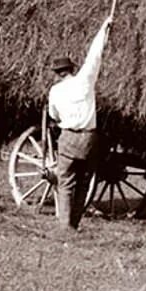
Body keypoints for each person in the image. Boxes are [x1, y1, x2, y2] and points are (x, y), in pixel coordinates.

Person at [47, 15, 112, 232]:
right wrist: (104, 28)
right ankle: (74, 224)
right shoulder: (84, 80)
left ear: (57, 74)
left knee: (65, 182)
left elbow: (53, 115)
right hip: (89, 139)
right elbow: (94, 56)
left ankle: (65, 226)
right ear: (72, 69)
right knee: (84, 183)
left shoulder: (55, 91)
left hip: (68, 138)